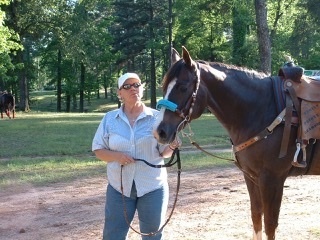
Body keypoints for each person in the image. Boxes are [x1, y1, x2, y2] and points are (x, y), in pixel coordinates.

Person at [92, 72, 181, 240]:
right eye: (127, 86)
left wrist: (172, 145)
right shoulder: (110, 119)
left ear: (142, 89)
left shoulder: (157, 118)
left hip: (152, 186)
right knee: (113, 235)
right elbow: (98, 150)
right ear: (119, 93)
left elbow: (163, 153)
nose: (133, 88)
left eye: (137, 85)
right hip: (119, 187)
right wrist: (117, 156)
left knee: (152, 235)